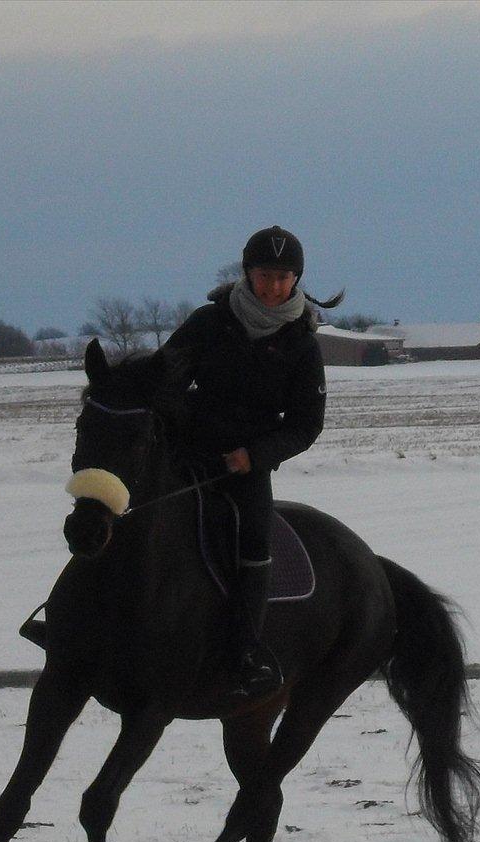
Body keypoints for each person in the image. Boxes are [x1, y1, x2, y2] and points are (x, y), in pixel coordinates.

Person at [161, 226, 342, 694]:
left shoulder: (303, 341)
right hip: (186, 453)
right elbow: (163, 380)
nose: (273, 286)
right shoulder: (209, 322)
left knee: (255, 538)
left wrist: (255, 456)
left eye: (283, 278)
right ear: (247, 273)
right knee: (126, 508)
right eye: (265, 275)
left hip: (244, 466)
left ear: (296, 280)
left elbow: (307, 423)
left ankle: (243, 653)